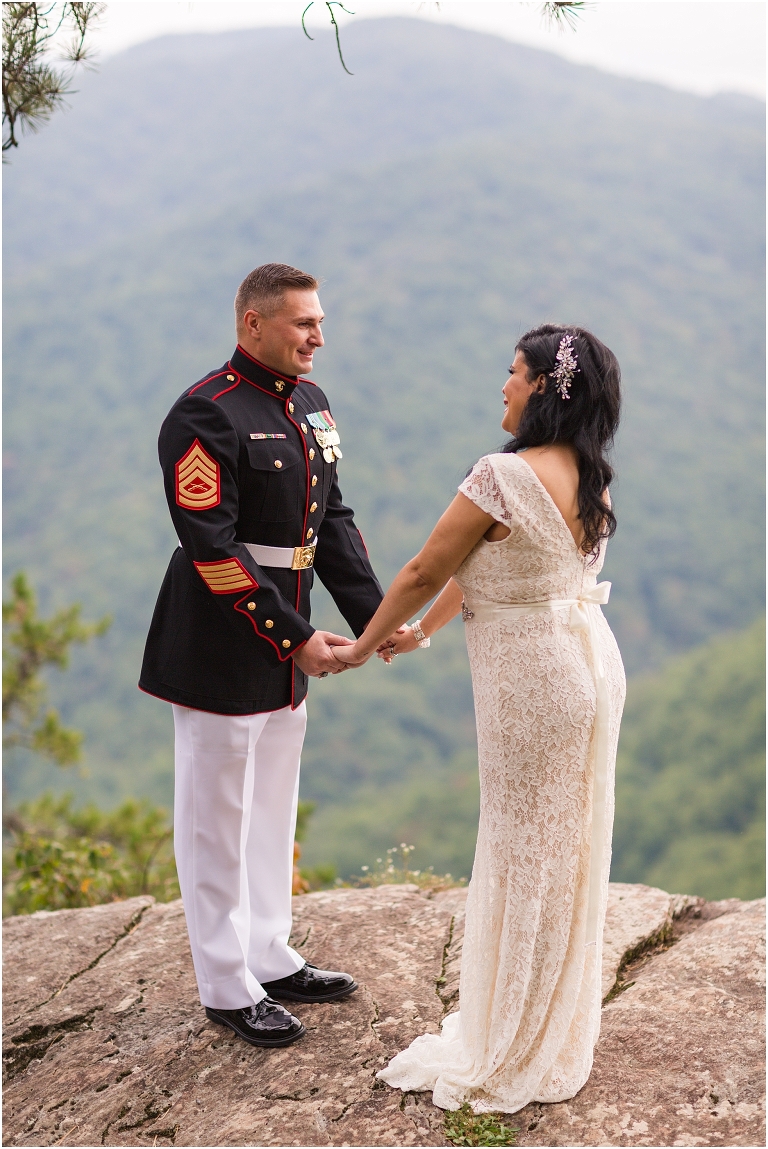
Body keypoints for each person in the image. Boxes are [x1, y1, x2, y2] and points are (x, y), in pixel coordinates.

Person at [332, 324, 626, 1112]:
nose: (502, 386)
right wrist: (424, 631)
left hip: (531, 681)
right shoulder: (590, 476)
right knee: (561, 843)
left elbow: (429, 564)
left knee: (521, 840)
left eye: (512, 372)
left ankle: (511, 1035)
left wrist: (361, 647)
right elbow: (496, 565)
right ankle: (546, 1021)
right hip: (589, 668)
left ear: (541, 388)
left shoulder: (500, 475)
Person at [139, 263, 385, 1049]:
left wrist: (378, 619)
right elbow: (211, 550)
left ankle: (269, 954)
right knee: (217, 817)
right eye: (303, 322)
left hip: (287, 647)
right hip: (221, 643)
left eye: (320, 320)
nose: (320, 335)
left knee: (271, 806)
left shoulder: (309, 404)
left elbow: (331, 525)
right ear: (253, 324)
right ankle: (223, 979)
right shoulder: (203, 414)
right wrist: (297, 636)